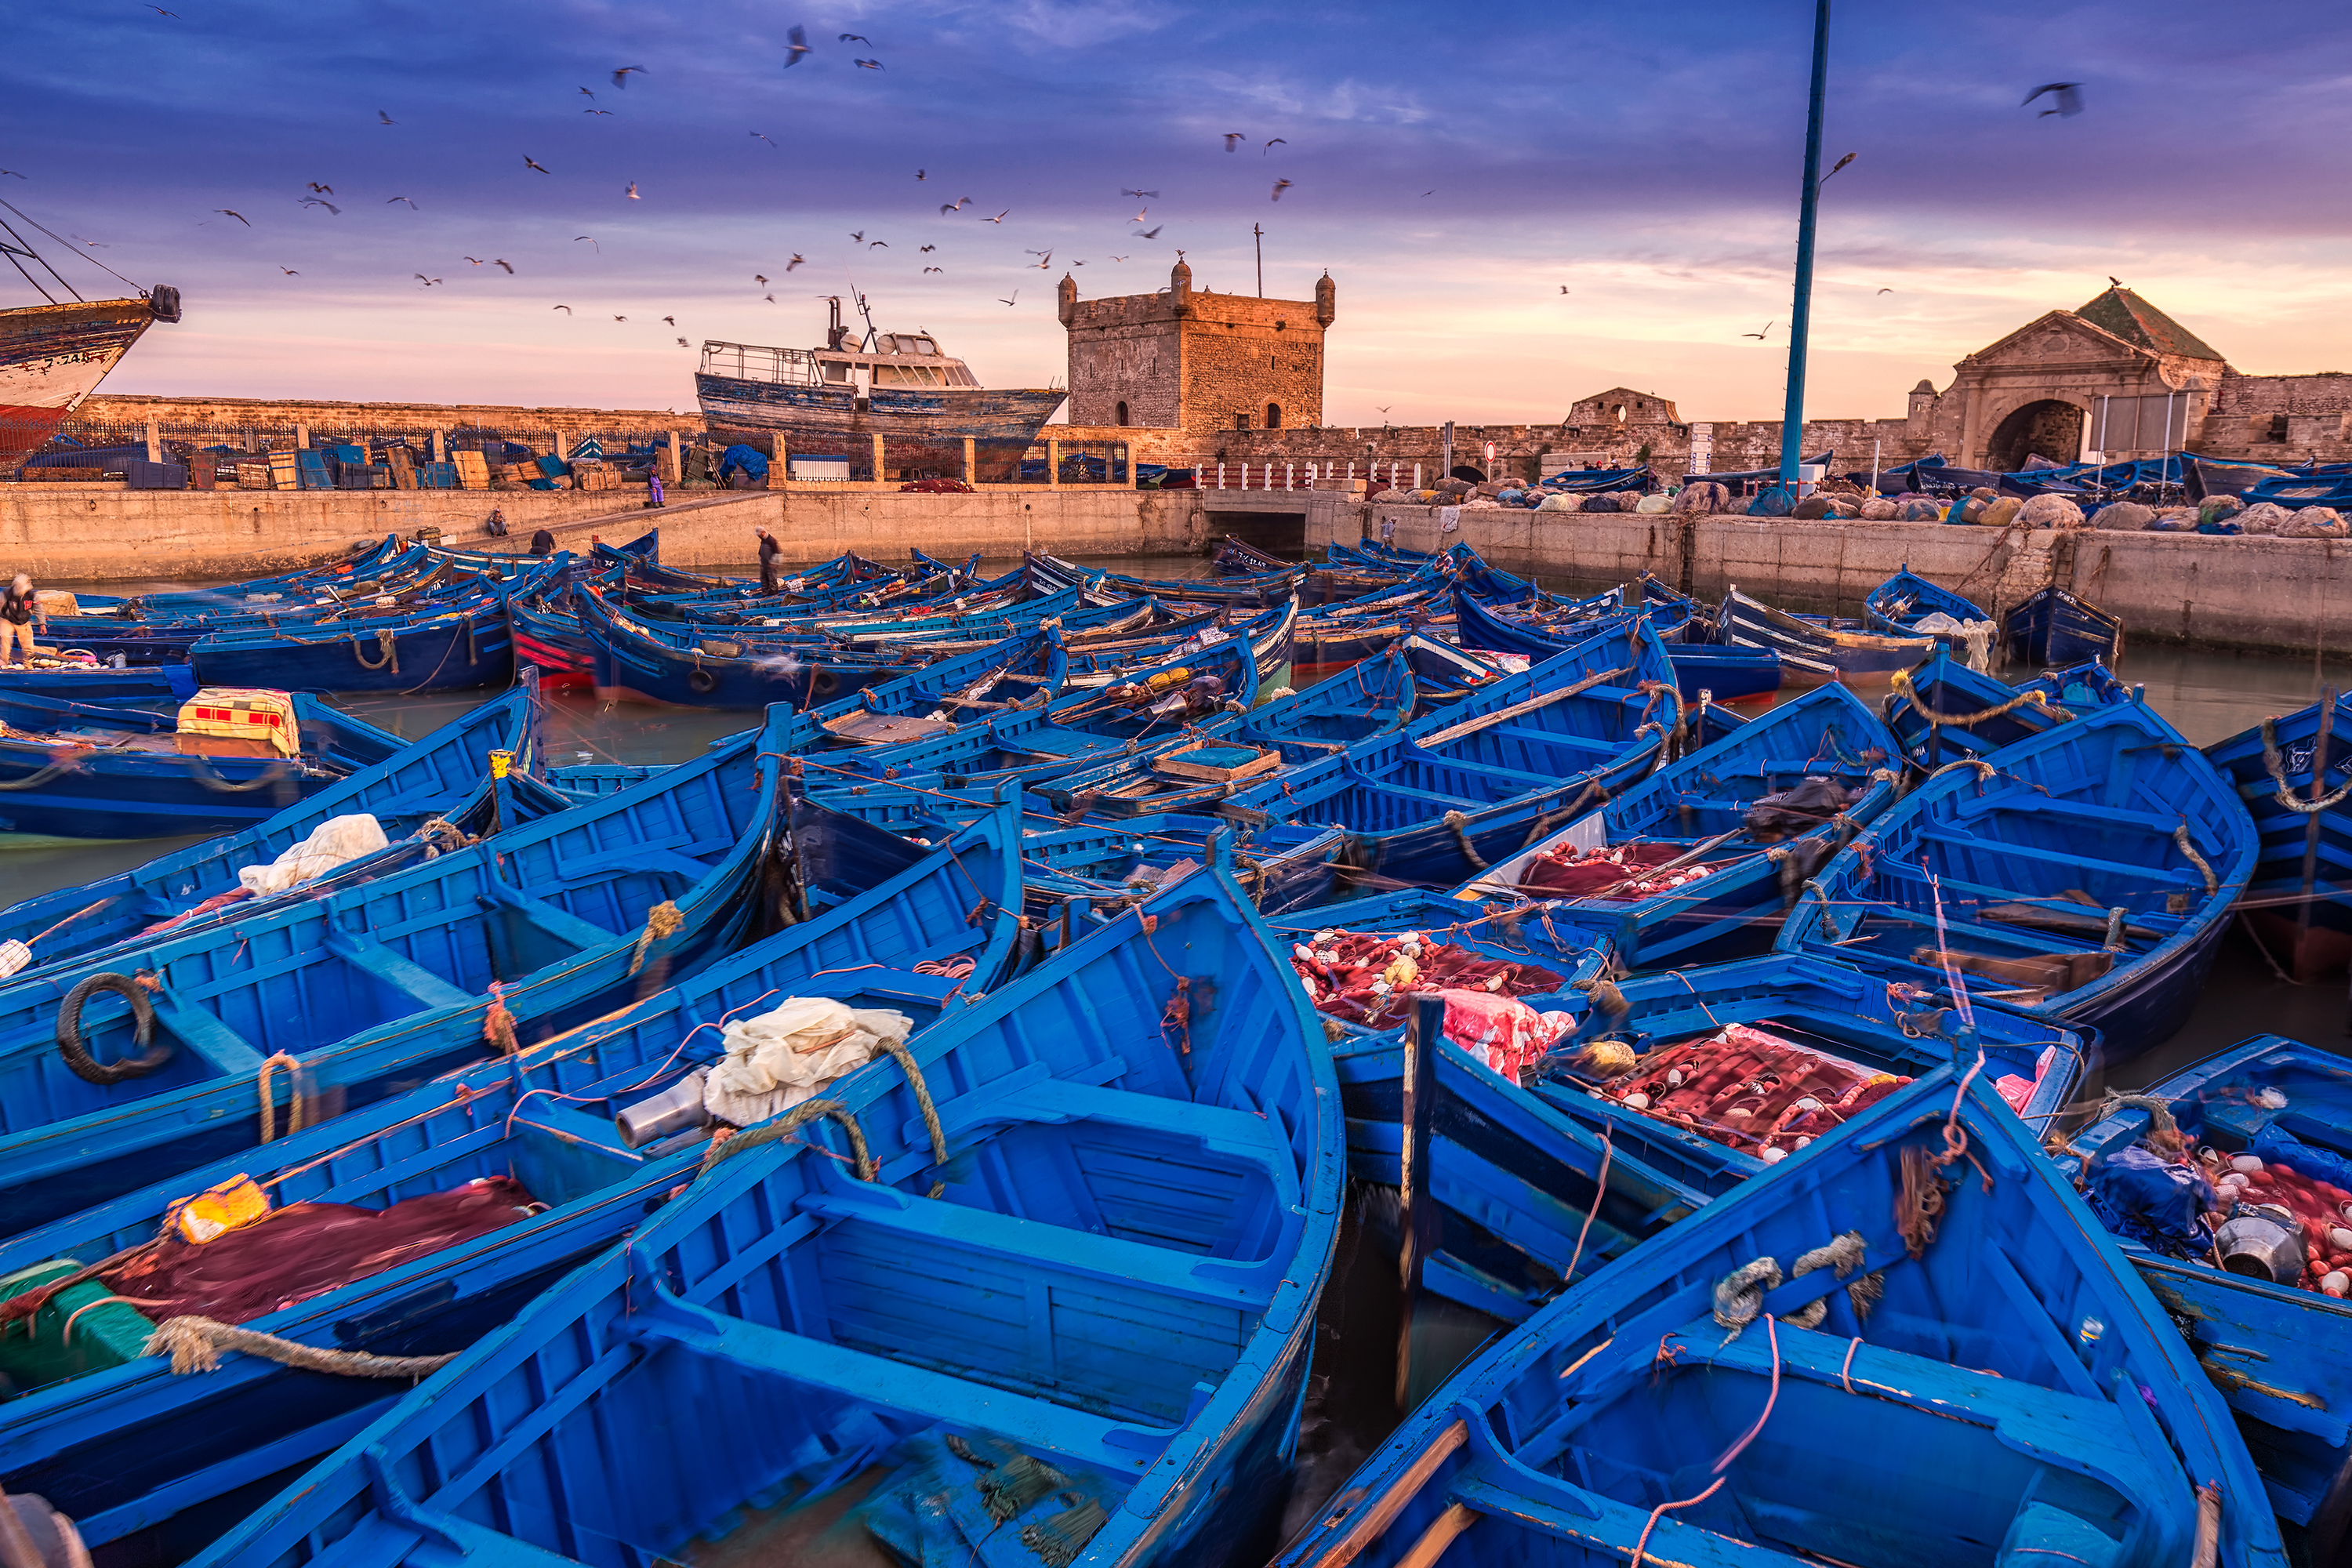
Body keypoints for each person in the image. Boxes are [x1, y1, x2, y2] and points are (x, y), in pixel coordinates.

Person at [1, 574, 42, 666]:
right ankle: (4, 663)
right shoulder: (6, 593)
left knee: (27, 644)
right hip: (7, 619)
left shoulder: (32, 595)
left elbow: (38, 609)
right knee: (5, 637)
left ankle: (28, 665)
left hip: (23, 621)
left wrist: (42, 623)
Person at [756, 527, 782, 593]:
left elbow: (777, 552)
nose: (758, 536)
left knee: (772, 581)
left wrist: (775, 563)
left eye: (759, 534)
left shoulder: (771, 540)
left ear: (763, 533)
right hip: (764, 565)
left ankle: (773, 595)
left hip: (771, 565)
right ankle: (765, 594)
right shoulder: (763, 541)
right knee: (764, 580)